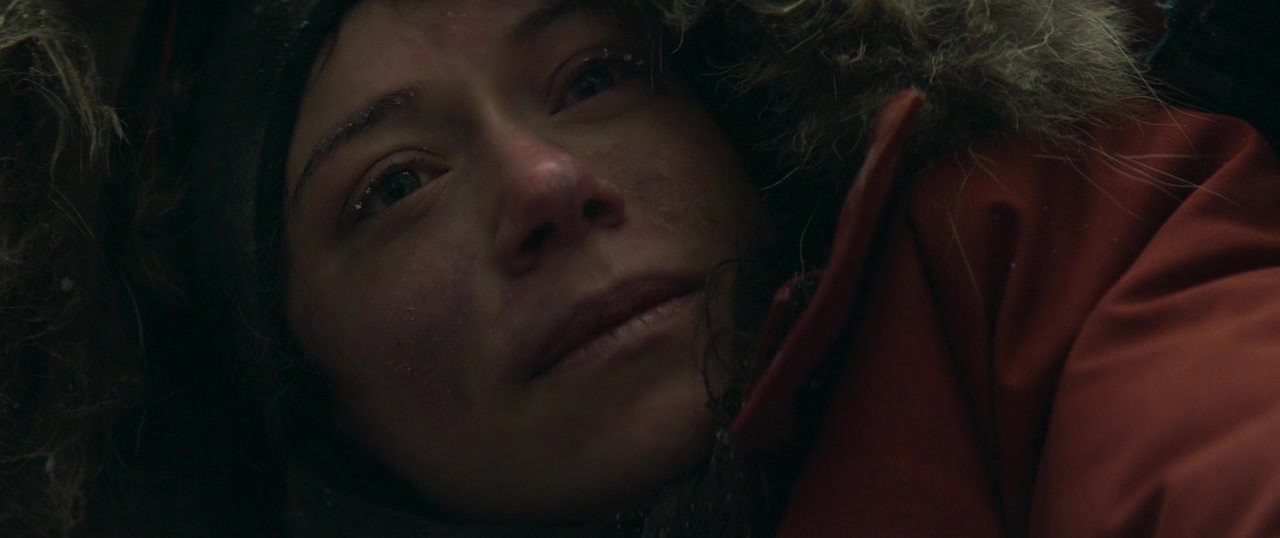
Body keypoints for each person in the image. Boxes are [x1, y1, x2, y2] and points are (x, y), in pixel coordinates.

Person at [4, 0, 1280, 536]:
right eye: (393, 185)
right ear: (290, 378)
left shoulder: (1039, 251)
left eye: (592, 77)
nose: (546, 184)